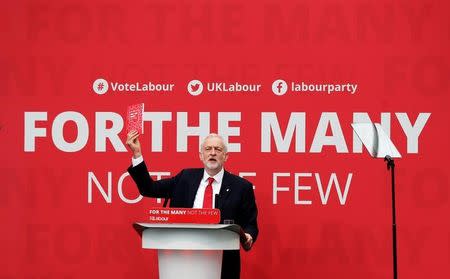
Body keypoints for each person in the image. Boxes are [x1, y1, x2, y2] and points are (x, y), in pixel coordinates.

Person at [126, 131, 259, 279]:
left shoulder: (241, 187)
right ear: (201, 155)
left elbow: (250, 224)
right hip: (183, 261)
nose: (212, 153)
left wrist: (248, 236)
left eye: (218, 149)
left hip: (224, 265)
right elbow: (148, 188)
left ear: (226, 156)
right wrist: (137, 153)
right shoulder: (185, 178)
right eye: (208, 149)